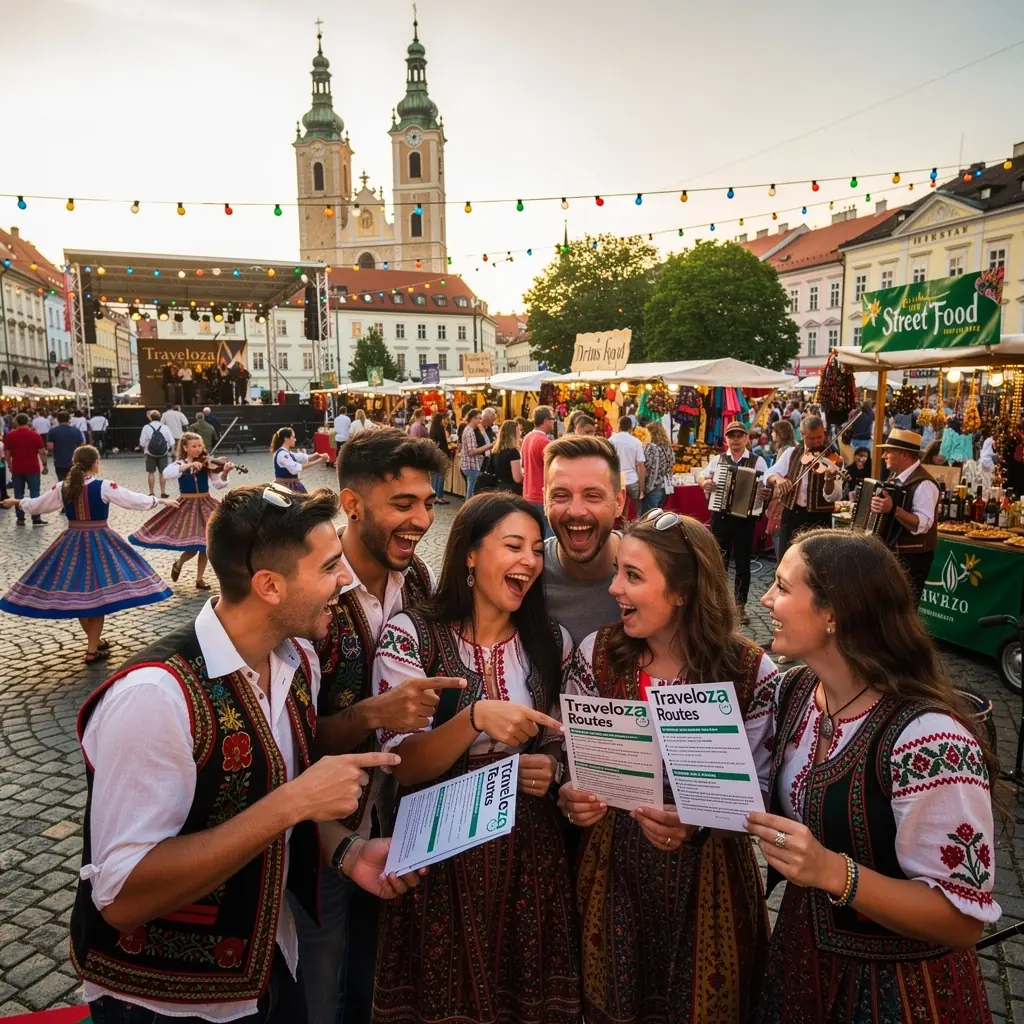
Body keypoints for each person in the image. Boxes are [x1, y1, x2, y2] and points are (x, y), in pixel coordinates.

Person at [70, 484, 419, 1024]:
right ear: (269, 585)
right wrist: (293, 804)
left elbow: (269, 800)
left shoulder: (297, 660)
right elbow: (121, 896)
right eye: (330, 567)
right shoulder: (155, 697)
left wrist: (347, 852)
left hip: (268, 968)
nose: (346, 580)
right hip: (165, 1002)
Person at [748, 530, 1000, 1023]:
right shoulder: (795, 693)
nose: (765, 598)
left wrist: (830, 871)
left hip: (898, 992)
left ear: (832, 615)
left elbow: (963, 920)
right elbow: (756, 788)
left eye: (781, 586)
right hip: (802, 959)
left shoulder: (928, 739)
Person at [370, 492, 581, 1024]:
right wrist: (472, 719)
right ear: (469, 554)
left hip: (528, 857)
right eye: (513, 546)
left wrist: (549, 769)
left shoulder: (550, 641)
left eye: (537, 548)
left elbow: (559, 742)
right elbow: (403, 765)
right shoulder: (411, 635)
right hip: (439, 855)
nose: (529, 561)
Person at [560, 509, 777, 1022]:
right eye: (618, 571)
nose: (614, 588)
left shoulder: (749, 671)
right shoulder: (598, 654)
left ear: (682, 591)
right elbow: (572, 759)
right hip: (612, 877)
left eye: (633, 576)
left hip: (711, 882)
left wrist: (700, 820)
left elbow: (766, 789)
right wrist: (570, 795)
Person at [296, 429, 448, 1024]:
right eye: (403, 504)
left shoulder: (418, 581)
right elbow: (288, 737)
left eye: (430, 501)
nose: (421, 519)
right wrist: (370, 716)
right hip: (325, 832)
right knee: (321, 971)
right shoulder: (313, 591)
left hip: (398, 817)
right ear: (353, 505)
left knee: (374, 970)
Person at [0, 445, 174, 662]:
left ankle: (95, 642)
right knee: (98, 596)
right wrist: (160, 500)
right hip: (100, 541)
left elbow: (38, 505)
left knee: (81, 594)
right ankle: (92, 651)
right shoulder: (104, 486)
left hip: (72, 540)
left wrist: (17, 501)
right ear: (95, 463)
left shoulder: (63, 487)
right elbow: (132, 499)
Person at [543, 435, 625, 646]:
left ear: (618, 501)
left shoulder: (654, 574)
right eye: (561, 495)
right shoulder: (525, 575)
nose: (576, 511)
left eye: (593, 496)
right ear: (544, 501)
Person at [130, 432, 233, 591]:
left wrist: (224, 473)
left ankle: (199, 579)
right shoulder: (178, 464)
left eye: (200, 446)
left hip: (205, 502)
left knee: (206, 543)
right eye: (194, 446)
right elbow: (167, 473)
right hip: (187, 504)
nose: (198, 449)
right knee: (193, 546)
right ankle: (179, 563)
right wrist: (189, 465)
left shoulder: (207, 463)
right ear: (185, 448)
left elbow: (218, 484)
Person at [700, 420, 769, 623]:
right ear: (726, 440)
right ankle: (719, 605)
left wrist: (765, 493)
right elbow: (701, 476)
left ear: (747, 438)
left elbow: (766, 485)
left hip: (745, 519)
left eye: (740, 436)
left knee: (742, 564)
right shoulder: (718, 460)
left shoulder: (758, 462)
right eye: (732, 436)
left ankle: (740, 606)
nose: (736, 440)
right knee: (719, 562)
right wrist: (706, 483)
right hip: (721, 517)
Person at [870, 429, 940, 607]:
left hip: (912, 558)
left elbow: (922, 524)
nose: (884, 455)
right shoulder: (896, 479)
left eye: (888, 451)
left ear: (903, 454)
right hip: (895, 555)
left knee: (904, 610)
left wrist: (893, 509)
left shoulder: (924, 483)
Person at [765, 414, 842, 560]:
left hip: (819, 518)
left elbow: (836, 496)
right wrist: (779, 479)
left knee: (817, 563)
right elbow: (769, 473)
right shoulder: (791, 453)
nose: (817, 442)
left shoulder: (833, 458)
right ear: (802, 435)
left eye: (820, 437)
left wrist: (830, 480)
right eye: (811, 438)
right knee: (787, 558)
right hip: (792, 514)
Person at [4, 412, 48, 525]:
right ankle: (36, 517)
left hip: (17, 468)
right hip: (32, 467)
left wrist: (9, 465)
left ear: (16, 422)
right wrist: (45, 465)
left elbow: (7, 453)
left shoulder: (10, 435)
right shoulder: (35, 435)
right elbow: (42, 452)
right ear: (27, 421)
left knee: (18, 493)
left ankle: (20, 518)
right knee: (35, 492)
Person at [520, 404, 555, 532]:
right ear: (546, 421)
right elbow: (552, 468)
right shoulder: (544, 442)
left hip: (528, 493)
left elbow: (523, 465)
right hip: (540, 495)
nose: (553, 423)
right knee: (548, 534)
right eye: (552, 420)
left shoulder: (527, 438)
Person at [609, 414, 646, 516]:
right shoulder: (636, 442)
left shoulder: (611, 440)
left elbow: (608, 461)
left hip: (618, 479)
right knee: (637, 510)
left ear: (619, 426)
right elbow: (640, 466)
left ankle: (623, 526)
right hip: (632, 480)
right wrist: (642, 489)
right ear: (630, 428)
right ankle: (636, 528)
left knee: (620, 507)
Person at [272, 427, 327, 494]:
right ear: (286, 439)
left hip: (291, 484)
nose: (295, 440)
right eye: (293, 437)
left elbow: (303, 457)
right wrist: (318, 461)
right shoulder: (283, 454)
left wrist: (318, 455)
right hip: (285, 486)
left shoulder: (287, 452)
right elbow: (294, 469)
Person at [640, 419, 674, 514]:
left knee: (647, 518)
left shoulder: (651, 447)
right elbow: (671, 466)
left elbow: (650, 468)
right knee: (658, 517)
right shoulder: (668, 447)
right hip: (665, 487)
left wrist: (647, 489)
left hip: (654, 487)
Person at [139, 410, 174, 499]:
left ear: (150, 418)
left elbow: (142, 442)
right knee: (162, 473)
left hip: (150, 453)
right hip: (163, 453)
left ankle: (151, 492)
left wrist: (145, 449)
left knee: (151, 473)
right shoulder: (165, 427)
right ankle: (163, 492)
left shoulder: (146, 427)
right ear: (160, 417)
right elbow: (171, 441)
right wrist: (165, 448)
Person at [458, 407, 491, 500]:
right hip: (471, 466)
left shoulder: (468, 430)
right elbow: (471, 452)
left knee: (471, 491)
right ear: (473, 419)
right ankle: (469, 512)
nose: (481, 421)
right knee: (471, 493)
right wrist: (489, 446)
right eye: (479, 418)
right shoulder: (470, 432)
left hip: (469, 465)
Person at [48, 410, 86, 482]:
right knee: (75, 482)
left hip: (59, 461)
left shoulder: (52, 431)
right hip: (74, 461)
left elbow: (50, 447)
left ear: (58, 419)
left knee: (62, 483)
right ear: (69, 419)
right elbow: (82, 446)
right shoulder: (76, 430)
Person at [490, 418, 523, 495]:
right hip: (511, 490)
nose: (520, 433)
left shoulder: (495, 450)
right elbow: (517, 478)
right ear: (514, 433)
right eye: (518, 430)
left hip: (498, 488)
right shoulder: (513, 452)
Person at [427, 411, 451, 504]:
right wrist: (448, 453)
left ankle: (434, 496)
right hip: (441, 453)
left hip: (434, 452)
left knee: (435, 475)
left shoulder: (432, 428)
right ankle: (439, 496)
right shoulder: (440, 428)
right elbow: (444, 442)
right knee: (441, 475)